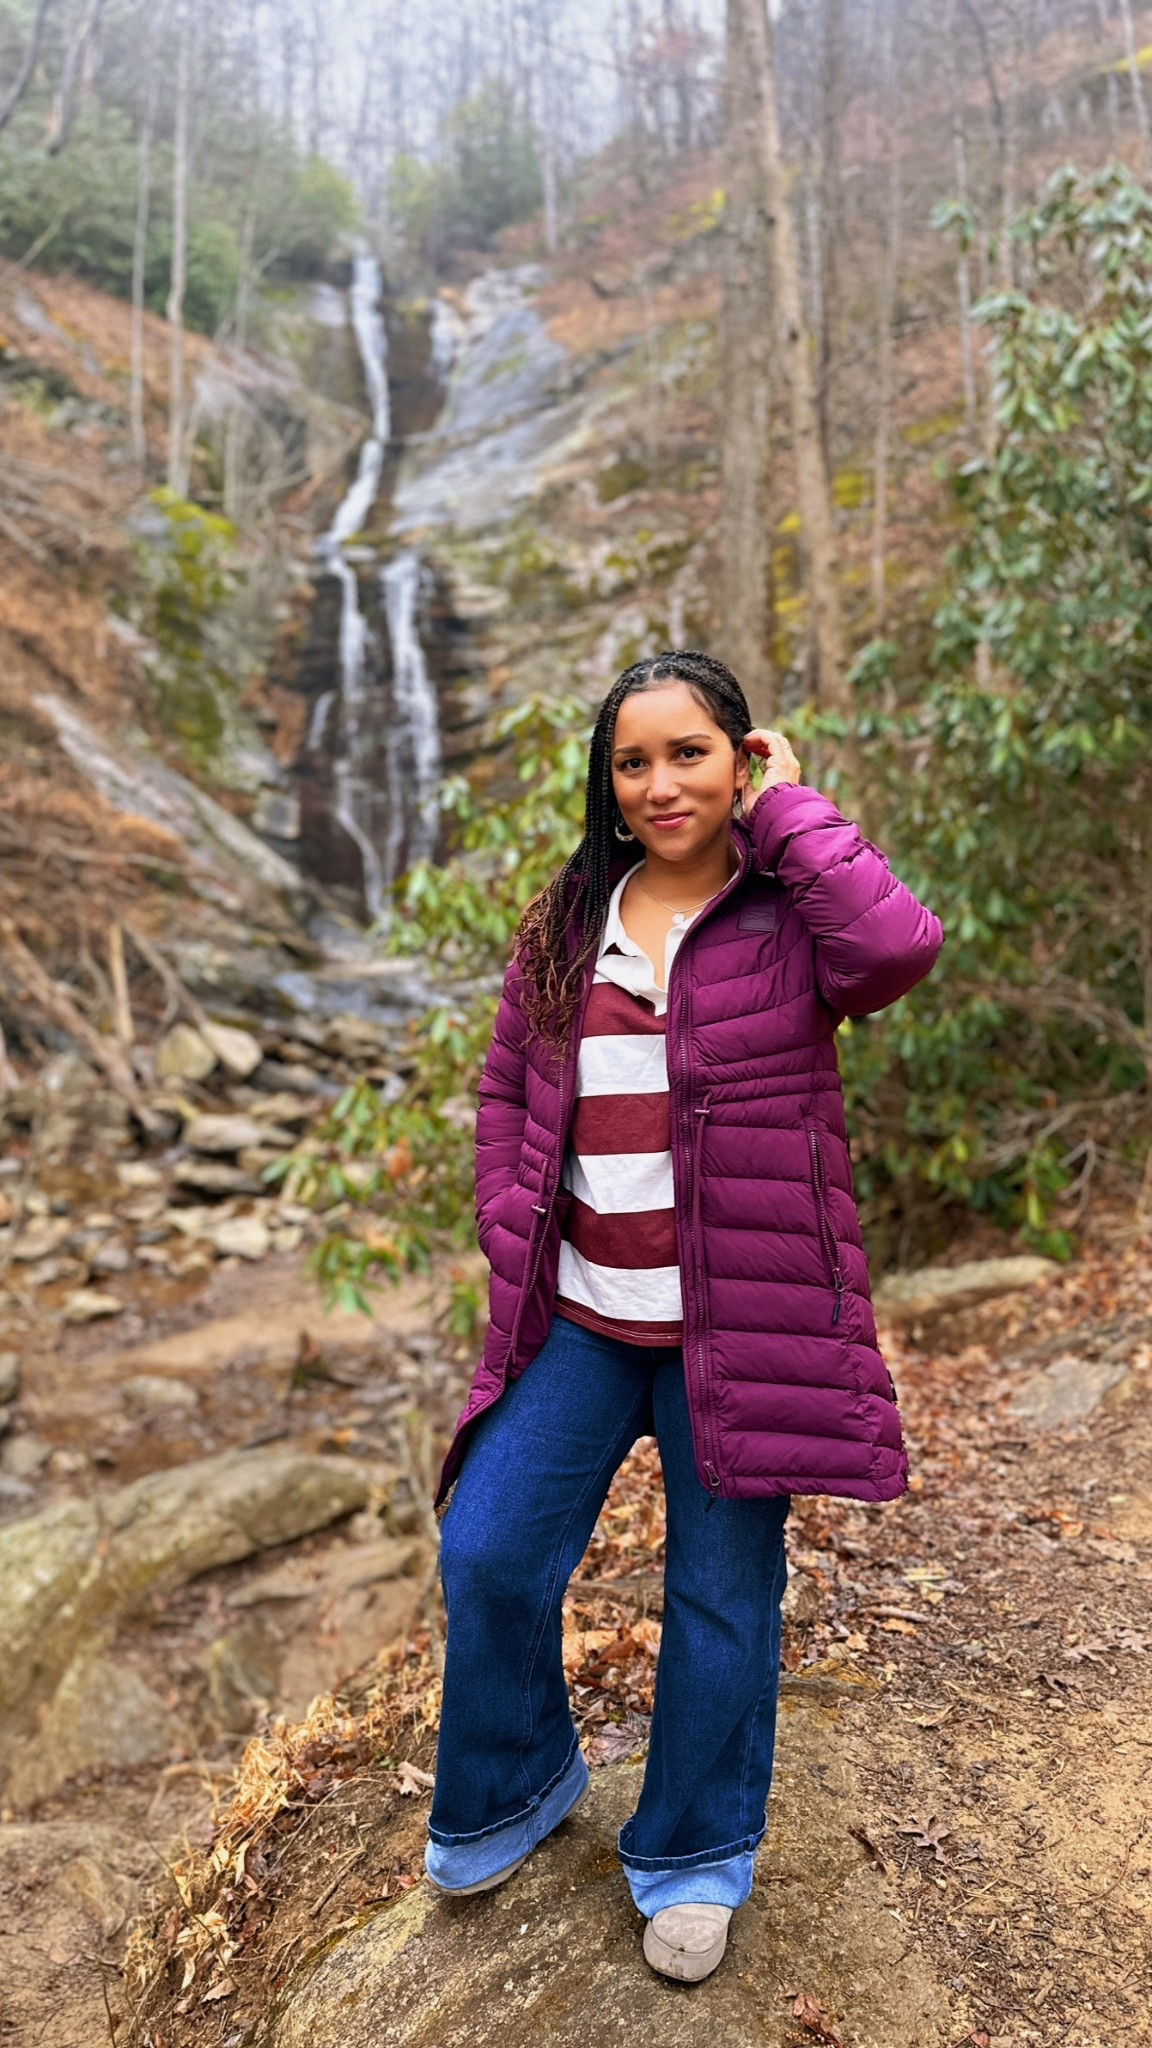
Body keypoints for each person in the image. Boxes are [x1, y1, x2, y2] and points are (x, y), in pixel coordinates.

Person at [422, 650, 943, 1982]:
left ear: (740, 757)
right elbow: (501, 1089)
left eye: (691, 754)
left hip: (739, 1324)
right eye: (634, 762)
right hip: (586, 1319)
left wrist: (797, 812)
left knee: (720, 1600)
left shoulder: (790, 908)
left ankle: (697, 1853)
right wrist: (503, 1215)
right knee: (487, 1549)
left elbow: (895, 952)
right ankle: (518, 1780)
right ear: (608, 780)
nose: (662, 784)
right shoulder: (569, 917)